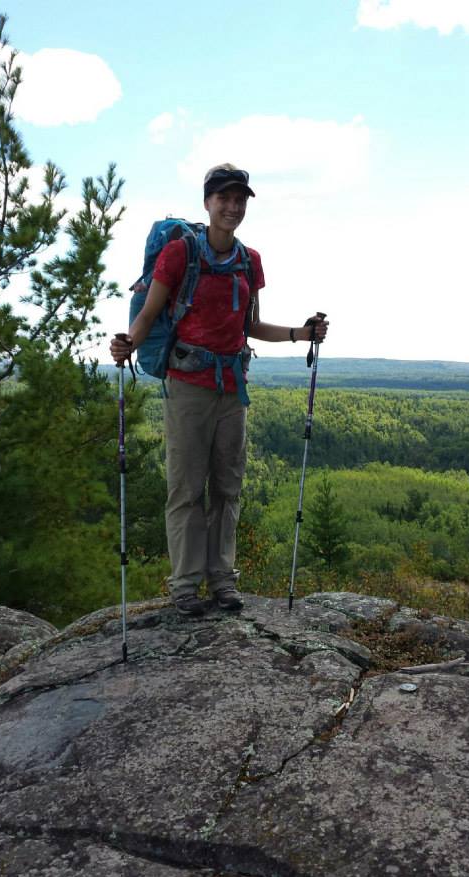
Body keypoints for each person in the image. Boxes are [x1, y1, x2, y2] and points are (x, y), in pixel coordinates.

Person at [110, 163, 329, 616]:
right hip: (188, 385)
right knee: (187, 488)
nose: (232, 207)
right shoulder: (179, 255)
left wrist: (300, 334)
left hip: (233, 386)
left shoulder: (250, 261)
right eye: (224, 198)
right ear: (207, 202)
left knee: (228, 488)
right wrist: (128, 342)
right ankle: (186, 586)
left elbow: (250, 325)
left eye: (240, 199)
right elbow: (150, 313)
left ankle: (222, 580)